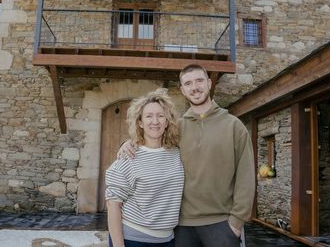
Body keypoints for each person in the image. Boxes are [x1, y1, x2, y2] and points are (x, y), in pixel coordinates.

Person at [119, 64, 255, 247]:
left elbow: (246, 177)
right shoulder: (177, 128)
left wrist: (237, 222)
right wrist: (128, 143)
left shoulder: (233, 126)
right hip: (182, 226)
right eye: (188, 83)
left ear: (208, 83)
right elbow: (152, 143)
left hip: (221, 224)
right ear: (182, 90)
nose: (195, 87)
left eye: (199, 81)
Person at [105, 88, 185, 247]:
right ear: (140, 122)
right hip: (132, 240)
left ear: (167, 121)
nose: (155, 121)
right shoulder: (128, 157)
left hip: (168, 240)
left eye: (160, 116)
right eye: (149, 116)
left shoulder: (177, 154)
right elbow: (113, 205)